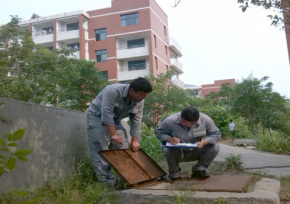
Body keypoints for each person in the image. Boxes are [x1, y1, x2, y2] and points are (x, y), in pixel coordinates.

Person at [86, 77, 152, 187]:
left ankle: (126, 181)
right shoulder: (113, 90)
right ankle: (106, 184)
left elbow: (136, 119)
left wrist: (134, 140)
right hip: (96, 117)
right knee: (100, 148)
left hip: (115, 120)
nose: (141, 98)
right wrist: (113, 134)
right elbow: (106, 113)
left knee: (123, 147)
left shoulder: (140, 100)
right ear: (132, 91)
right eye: (140, 95)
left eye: (144, 96)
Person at [154, 106, 221, 183]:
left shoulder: (206, 120)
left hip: (196, 150)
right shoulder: (169, 121)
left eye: (191, 124)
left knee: (215, 147)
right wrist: (169, 139)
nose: (187, 125)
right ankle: (174, 173)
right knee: (168, 148)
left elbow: (216, 134)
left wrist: (204, 142)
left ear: (197, 120)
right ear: (181, 117)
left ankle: (199, 169)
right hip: (178, 151)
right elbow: (158, 132)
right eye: (183, 123)